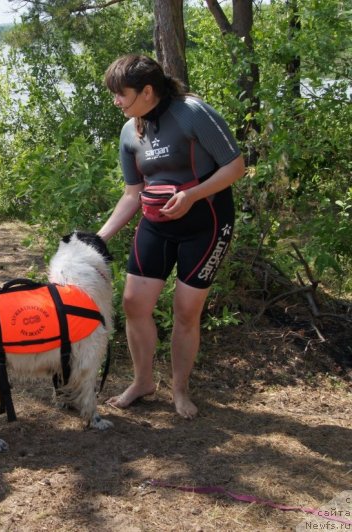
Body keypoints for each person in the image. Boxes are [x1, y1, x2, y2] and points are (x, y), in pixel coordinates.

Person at [96, 54, 245, 419]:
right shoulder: (130, 131)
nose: (116, 101)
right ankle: (143, 382)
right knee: (134, 304)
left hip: (206, 223)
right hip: (156, 225)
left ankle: (179, 390)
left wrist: (191, 195)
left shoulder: (192, 112)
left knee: (185, 311)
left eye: (121, 93)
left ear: (147, 91)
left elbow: (235, 167)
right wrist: (97, 238)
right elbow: (133, 193)